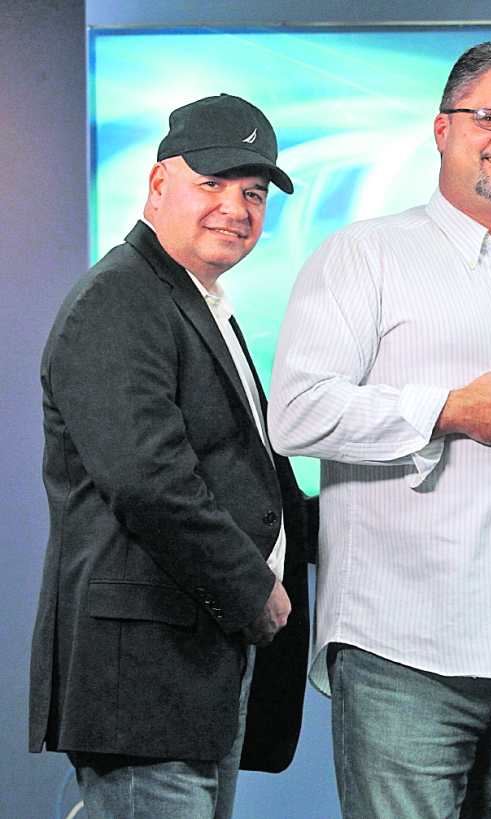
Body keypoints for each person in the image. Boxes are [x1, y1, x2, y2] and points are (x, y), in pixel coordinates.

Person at [268, 40, 491, 818]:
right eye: (490, 117)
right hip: (405, 653)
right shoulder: (363, 256)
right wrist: (445, 410)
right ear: (441, 129)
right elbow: (296, 410)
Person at [29, 94, 312, 819]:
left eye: (253, 193)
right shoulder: (120, 297)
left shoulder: (198, 301)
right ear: (158, 184)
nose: (235, 209)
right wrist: (253, 587)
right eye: (212, 183)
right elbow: (149, 480)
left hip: (194, 675)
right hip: (144, 685)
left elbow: (247, 480)